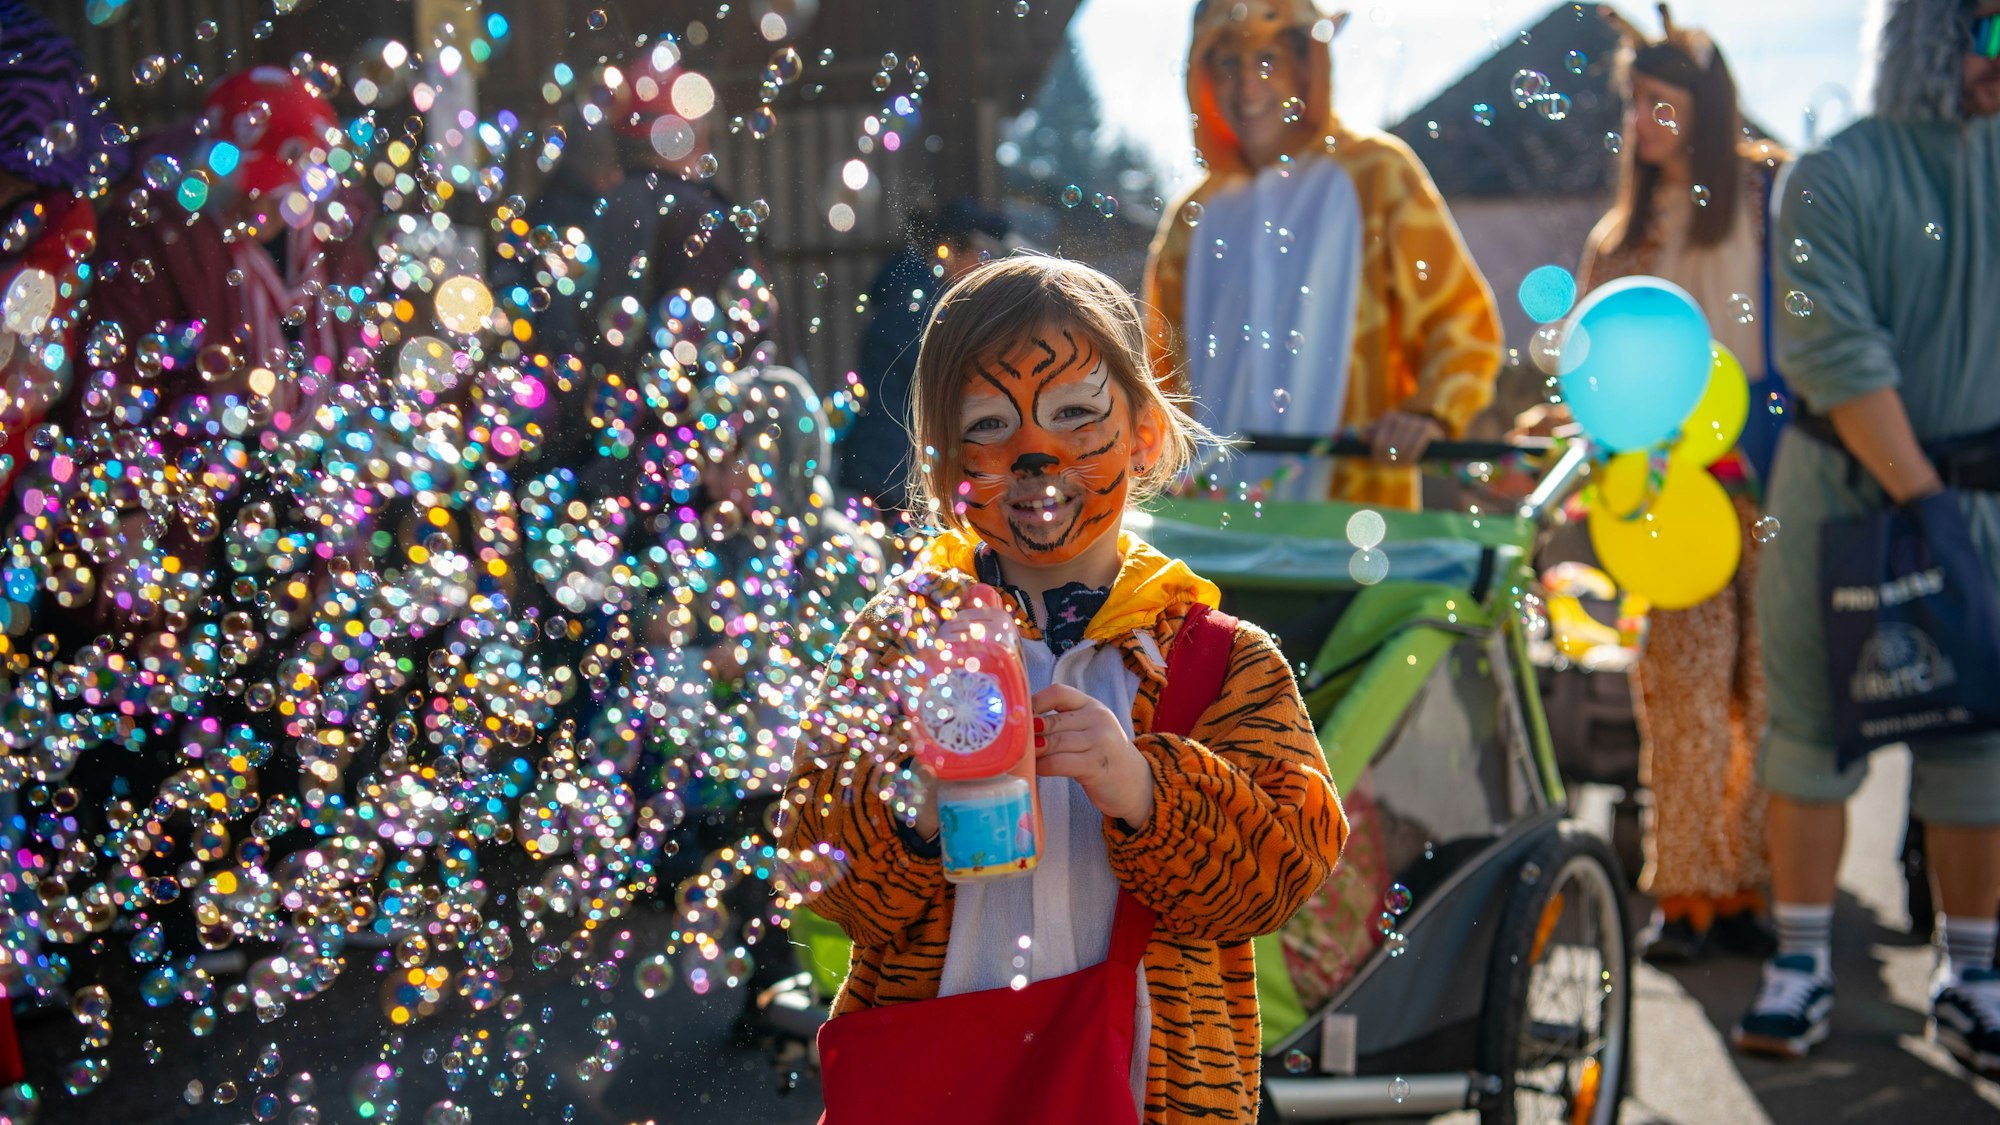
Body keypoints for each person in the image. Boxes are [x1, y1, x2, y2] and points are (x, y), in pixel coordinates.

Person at [777, 255, 1346, 1121]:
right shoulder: (899, 645)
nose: (1035, 453)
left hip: (1146, 1092)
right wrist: (912, 807)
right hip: (937, 1080)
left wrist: (1148, 787)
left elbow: (1285, 872)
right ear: (942, 469)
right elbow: (818, 874)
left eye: (1077, 413)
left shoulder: (1218, 661)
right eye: (990, 422)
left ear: (1146, 437)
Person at [1734, 0, 2000, 1076]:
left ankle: (1972, 977)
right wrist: (1930, 509)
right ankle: (1797, 968)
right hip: (1842, 508)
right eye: (1985, 30)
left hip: (1975, 506)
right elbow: (1833, 351)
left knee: (1975, 744)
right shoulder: (1830, 173)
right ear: (1930, 35)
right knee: (1808, 738)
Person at [1571, 6, 1780, 965]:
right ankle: (1688, 889)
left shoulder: (1766, 196)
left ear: (1707, 104)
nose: (1644, 123)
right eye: (1635, 104)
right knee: (1686, 691)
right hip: (1671, 495)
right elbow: (1592, 363)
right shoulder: (1619, 240)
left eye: (1663, 102)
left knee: (1770, 689)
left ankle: (1754, 883)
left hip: (1775, 478)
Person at [1143, 0, 1501, 508]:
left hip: (1356, 522)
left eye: (1267, 60)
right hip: (1213, 529)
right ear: (1200, 78)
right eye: (1226, 64)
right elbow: (1161, 379)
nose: (1247, 86)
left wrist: (1430, 412)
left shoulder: (1377, 174)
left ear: (1305, 66)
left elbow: (1461, 319)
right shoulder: (1190, 218)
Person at [839, 198, 1009, 515]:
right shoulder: (921, 310)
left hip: (884, 467)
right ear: (952, 251)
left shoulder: (912, 292)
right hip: (894, 475)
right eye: (980, 254)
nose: (985, 267)